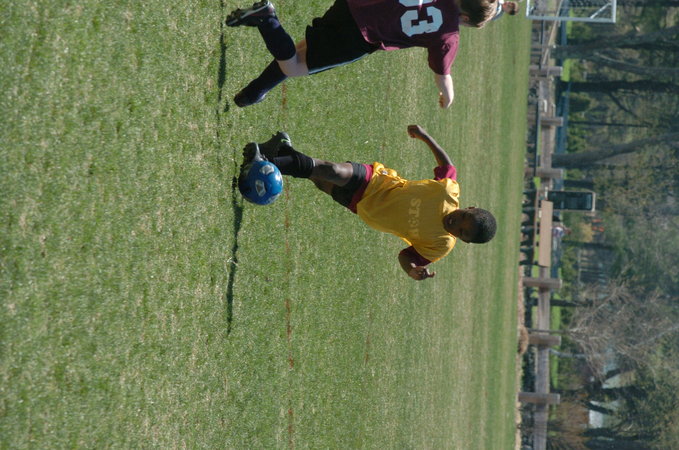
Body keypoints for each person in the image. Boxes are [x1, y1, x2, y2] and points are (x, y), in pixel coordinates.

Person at [241, 125, 497, 281]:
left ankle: (282, 150)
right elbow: (447, 165)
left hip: (363, 207)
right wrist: (425, 136)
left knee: (317, 178)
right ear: (470, 208)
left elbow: (407, 256)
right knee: (331, 170)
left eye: (461, 231)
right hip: (377, 181)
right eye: (464, 217)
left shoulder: (440, 245)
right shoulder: (448, 192)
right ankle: (262, 162)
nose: (456, 223)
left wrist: (411, 270)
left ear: (463, 240)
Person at [226, 0, 498, 108]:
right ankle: (267, 19)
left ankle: (251, 94)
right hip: (362, 35)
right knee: (294, 66)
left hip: (352, 6)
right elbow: (442, 74)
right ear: (464, 18)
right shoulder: (448, 34)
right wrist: (448, 97)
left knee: (301, 51)